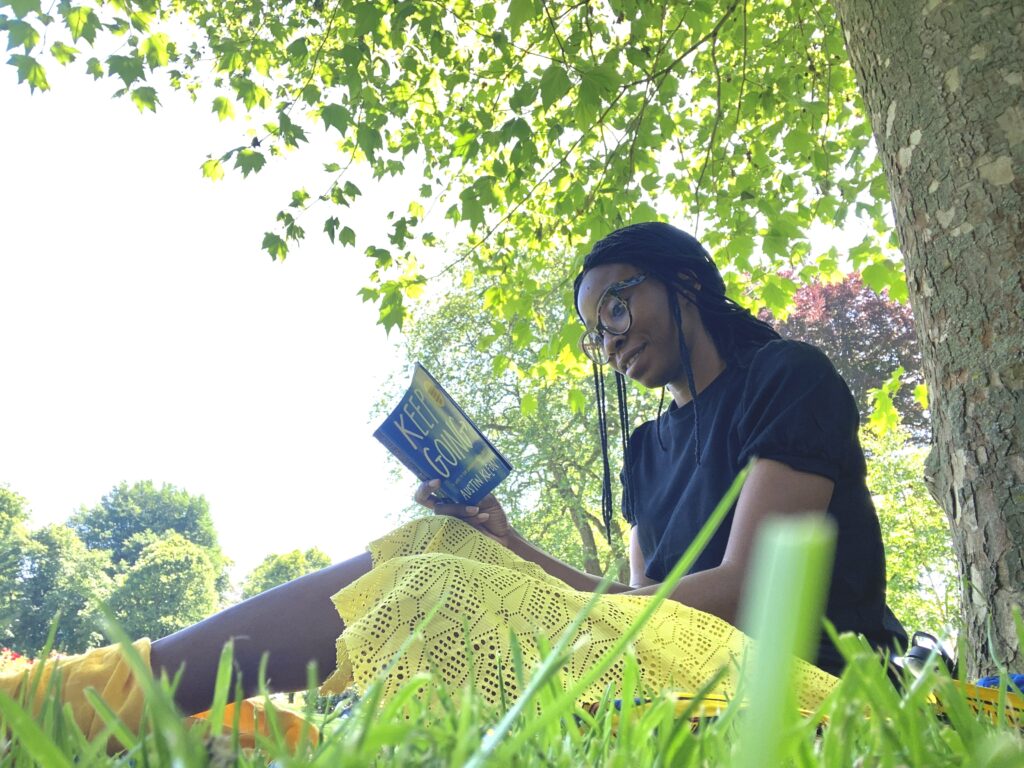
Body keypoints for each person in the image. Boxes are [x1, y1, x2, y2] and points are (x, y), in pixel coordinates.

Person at [2, 222, 899, 743]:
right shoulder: (648, 452)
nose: (610, 337)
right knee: (446, 543)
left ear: (685, 283)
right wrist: (503, 541)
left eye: (618, 304)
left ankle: (90, 696)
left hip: (801, 680)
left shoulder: (788, 379)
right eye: (594, 329)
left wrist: (510, 572)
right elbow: (631, 605)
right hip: (674, 670)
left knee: (441, 577)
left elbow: (744, 597)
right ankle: (117, 695)